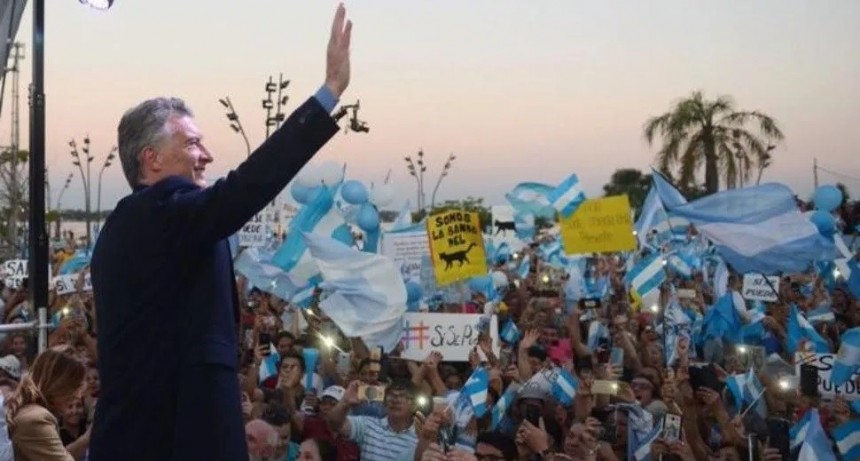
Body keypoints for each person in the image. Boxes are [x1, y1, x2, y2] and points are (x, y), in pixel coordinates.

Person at [88, 5, 353, 461]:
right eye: (191, 143)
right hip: (178, 438)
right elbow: (245, 189)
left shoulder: (134, 226)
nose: (207, 155)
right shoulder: (162, 210)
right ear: (151, 158)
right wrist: (328, 93)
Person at [4, 347, 90, 461]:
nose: (78, 396)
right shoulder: (36, 418)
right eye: (74, 387)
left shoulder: (31, 413)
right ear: (57, 383)